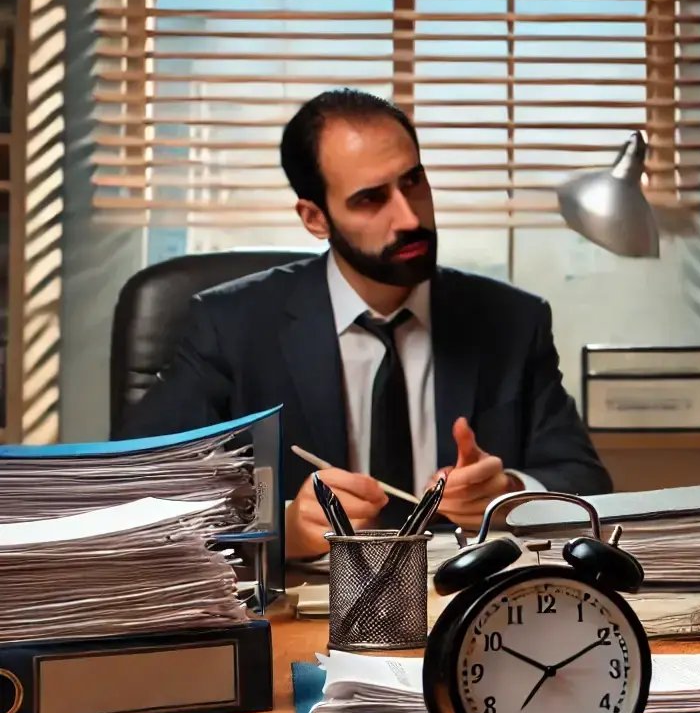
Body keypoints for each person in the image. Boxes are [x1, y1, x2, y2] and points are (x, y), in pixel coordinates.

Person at [122, 88, 612, 560]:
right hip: (307, 612)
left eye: (413, 182)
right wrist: (279, 527)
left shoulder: (511, 321)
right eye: (370, 199)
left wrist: (509, 496)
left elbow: (586, 483)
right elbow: (134, 491)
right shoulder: (231, 326)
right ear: (315, 218)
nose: (407, 217)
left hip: (459, 604)